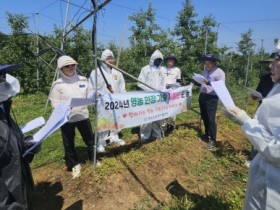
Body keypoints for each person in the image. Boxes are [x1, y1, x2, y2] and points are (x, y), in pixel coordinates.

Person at [222, 53, 280, 210]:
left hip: (274, 188)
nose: (271, 65)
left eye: (277, 60)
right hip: (264, 173)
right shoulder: (275, 85)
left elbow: (276, 151)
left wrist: (246, 122)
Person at [49, 55, 95, 179]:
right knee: (68, 142)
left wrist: (95, 94)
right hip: (67, 119)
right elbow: (55, 103)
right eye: (67, 66)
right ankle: (73, 164)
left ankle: (94, 158)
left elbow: (89, 93)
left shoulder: (83, 80)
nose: (70, 67)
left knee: (90, 138)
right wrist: (63, 109)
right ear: (61, 69)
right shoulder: (57, 84)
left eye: (73, 65)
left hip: (82, 115)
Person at [0, 64, 39, 209]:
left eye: (4, 77)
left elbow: (10, 152)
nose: (5, 83)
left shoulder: (4, 111)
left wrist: (27, 146)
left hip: (20, 193)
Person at [88, 49, 126, 153]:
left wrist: (123, 97)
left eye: (111, 58)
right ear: (103, 59)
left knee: (115, 119)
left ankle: (114, 136)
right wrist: (95, 97)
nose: (110, 60)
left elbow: (122, 86)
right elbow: (91, 87)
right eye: (108, 58)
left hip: (115, 101)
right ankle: (101, 142)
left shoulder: (117, 72)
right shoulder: (96, 72)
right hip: (102, 102)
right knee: (103, 121)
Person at [197, 53, 225, 150]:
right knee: (204, 116)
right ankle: (206, 134)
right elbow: (201, 82)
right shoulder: (204, 71)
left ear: (214, 63)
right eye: (205, 62)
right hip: (203, 95)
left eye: (209, 63)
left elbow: (220, 86)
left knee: (211, 118)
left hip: (212, 97)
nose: (207, 65)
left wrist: (208, 83)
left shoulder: (219, 72)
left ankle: (213, 140)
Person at [137, 49, 165, 142]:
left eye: (160, 60)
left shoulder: (162, 70)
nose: (159, 62)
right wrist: (150, 91)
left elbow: (163, 83)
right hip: (147, 96)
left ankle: (157, 134)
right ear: (152, 59)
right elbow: (139, 83)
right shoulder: (145, 69)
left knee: (157, 116)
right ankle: (145, 136)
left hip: (158, 97)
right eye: (157, 60)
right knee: (147, 117)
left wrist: (162, 90)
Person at [162, 53, 181, 132]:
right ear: (166, 61)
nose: (170, 61)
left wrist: (174, 86)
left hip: (173, 93)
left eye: (172, 60)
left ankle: (172, 126)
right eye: (169, 59)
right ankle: (163, 126)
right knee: (163, 110)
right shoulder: (161, 69)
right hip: (162, 93)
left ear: (174, 61)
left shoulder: (177, 70)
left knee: (173, 110)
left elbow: (178, 82)